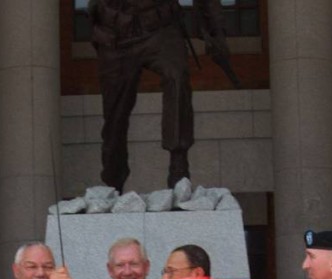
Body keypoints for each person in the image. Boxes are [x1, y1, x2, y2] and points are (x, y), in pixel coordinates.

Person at [87, 0, 230, 190]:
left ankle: (179, 166)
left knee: (177, 77)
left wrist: (215, 30)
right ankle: (113, 177)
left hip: (160, 28)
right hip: (115, 34)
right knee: (115, 115)